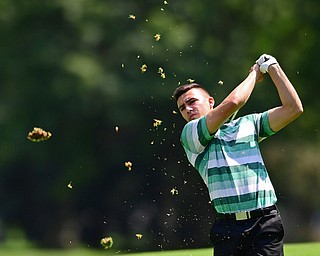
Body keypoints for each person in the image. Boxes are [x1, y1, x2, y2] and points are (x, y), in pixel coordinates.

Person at [172, 54, 303, 256]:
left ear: (210, 101)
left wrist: (273, 67)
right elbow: (233, 103)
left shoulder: (247, 124)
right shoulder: (190, 134)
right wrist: (255, 74)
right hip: (227, 228)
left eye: (191, 102)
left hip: (264, 221)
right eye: (182, 108)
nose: (188, 109)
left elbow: (293, 109)